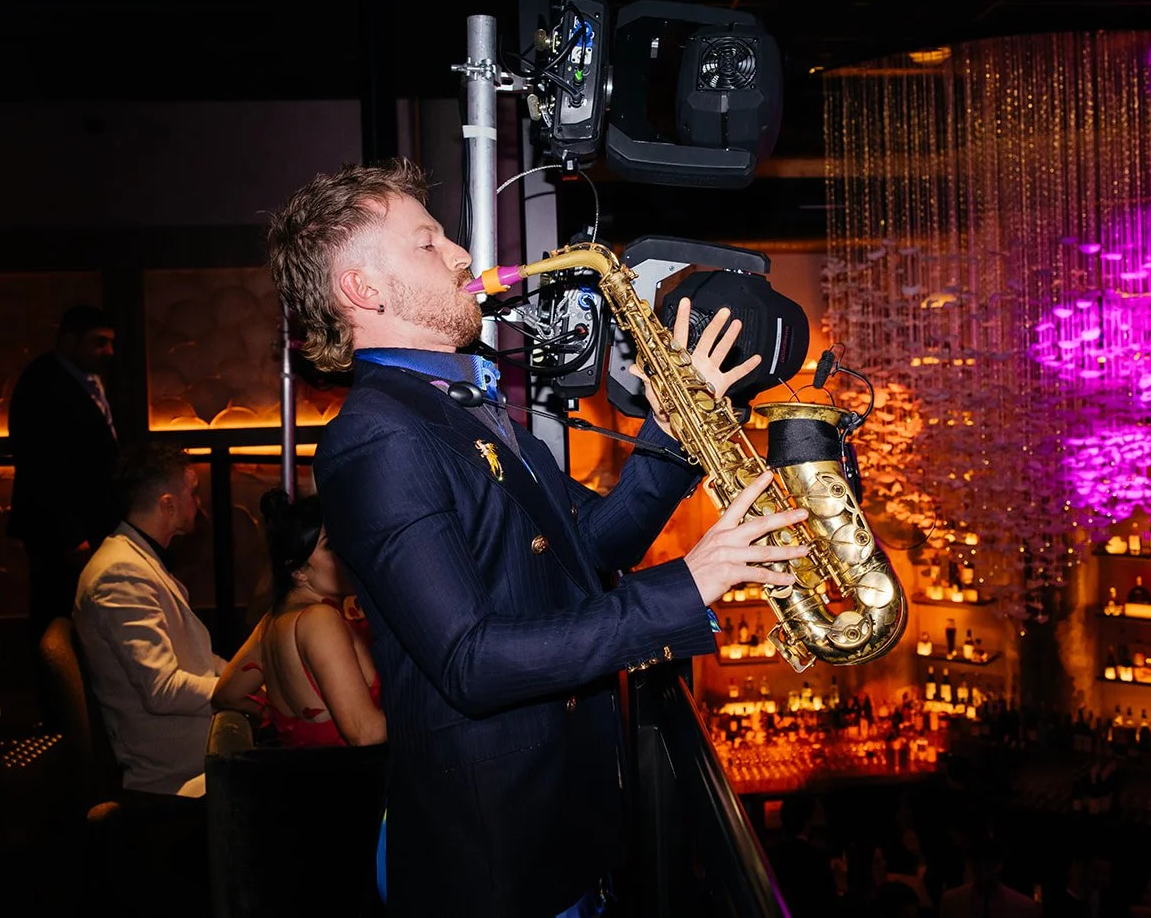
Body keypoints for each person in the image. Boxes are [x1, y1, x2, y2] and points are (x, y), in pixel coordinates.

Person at [268, 160, 809, 918]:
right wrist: (685, 586)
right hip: (497, 865)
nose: (461, 255)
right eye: (428, 243)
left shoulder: (459, 402)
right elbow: (470, 660)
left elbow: (592, 543)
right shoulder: (377, 436)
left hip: (562, 831)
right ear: (364, 289)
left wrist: (682, 426)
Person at [74, 442, 224, 798]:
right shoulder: (119, 572)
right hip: (175, 771)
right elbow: (162, 691)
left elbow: (198, 660)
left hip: (196, 744)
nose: (199, 503)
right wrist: (237, 692)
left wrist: (248, 675)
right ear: (167, 505)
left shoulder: (136, 558)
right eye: (193, 492)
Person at [213, 489, 387, 747]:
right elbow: (365, 733)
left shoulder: (271, 622)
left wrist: (279, 721)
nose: (346, 553)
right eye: (330, 546)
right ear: (298, 571)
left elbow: (227, 695)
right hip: (354, 782)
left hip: (304, 781)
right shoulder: (319, 618)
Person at [9, 305, 122, 635]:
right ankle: (61, 684)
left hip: (85, 522)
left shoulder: (86, 380)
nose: (109, 352)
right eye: (99, 342)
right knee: (59, 613)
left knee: (84, 612)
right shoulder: (42, 384)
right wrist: (71, 534)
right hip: (61, 529)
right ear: (70, 341)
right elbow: (42, 466)